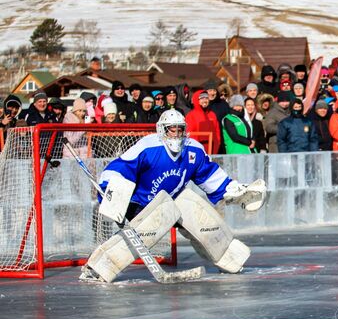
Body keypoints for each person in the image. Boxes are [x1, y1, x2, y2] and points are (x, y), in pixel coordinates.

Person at [79, 109, 267, 283]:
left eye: (179, 130)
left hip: (172, 200)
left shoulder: (193, 149)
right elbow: (120, 167)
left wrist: (236, 191)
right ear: (162, 130)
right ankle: (98, 268)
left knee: (192, 205)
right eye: (171, 130)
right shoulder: (148, 146)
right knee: (164, 212)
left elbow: (211, 176)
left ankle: (228, 257)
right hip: (138, 204)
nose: (176, 134)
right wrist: (109, 189)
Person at [185, 90, 221, 155]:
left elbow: (217, 132)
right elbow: (189, 134)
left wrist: (216, 146)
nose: (205, 100)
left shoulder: (212, 114)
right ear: (197, 100)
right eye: (201, 98)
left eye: (206, 98)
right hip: (197, 152)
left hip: (212, 152)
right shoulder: (191, 115)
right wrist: (197, 149)